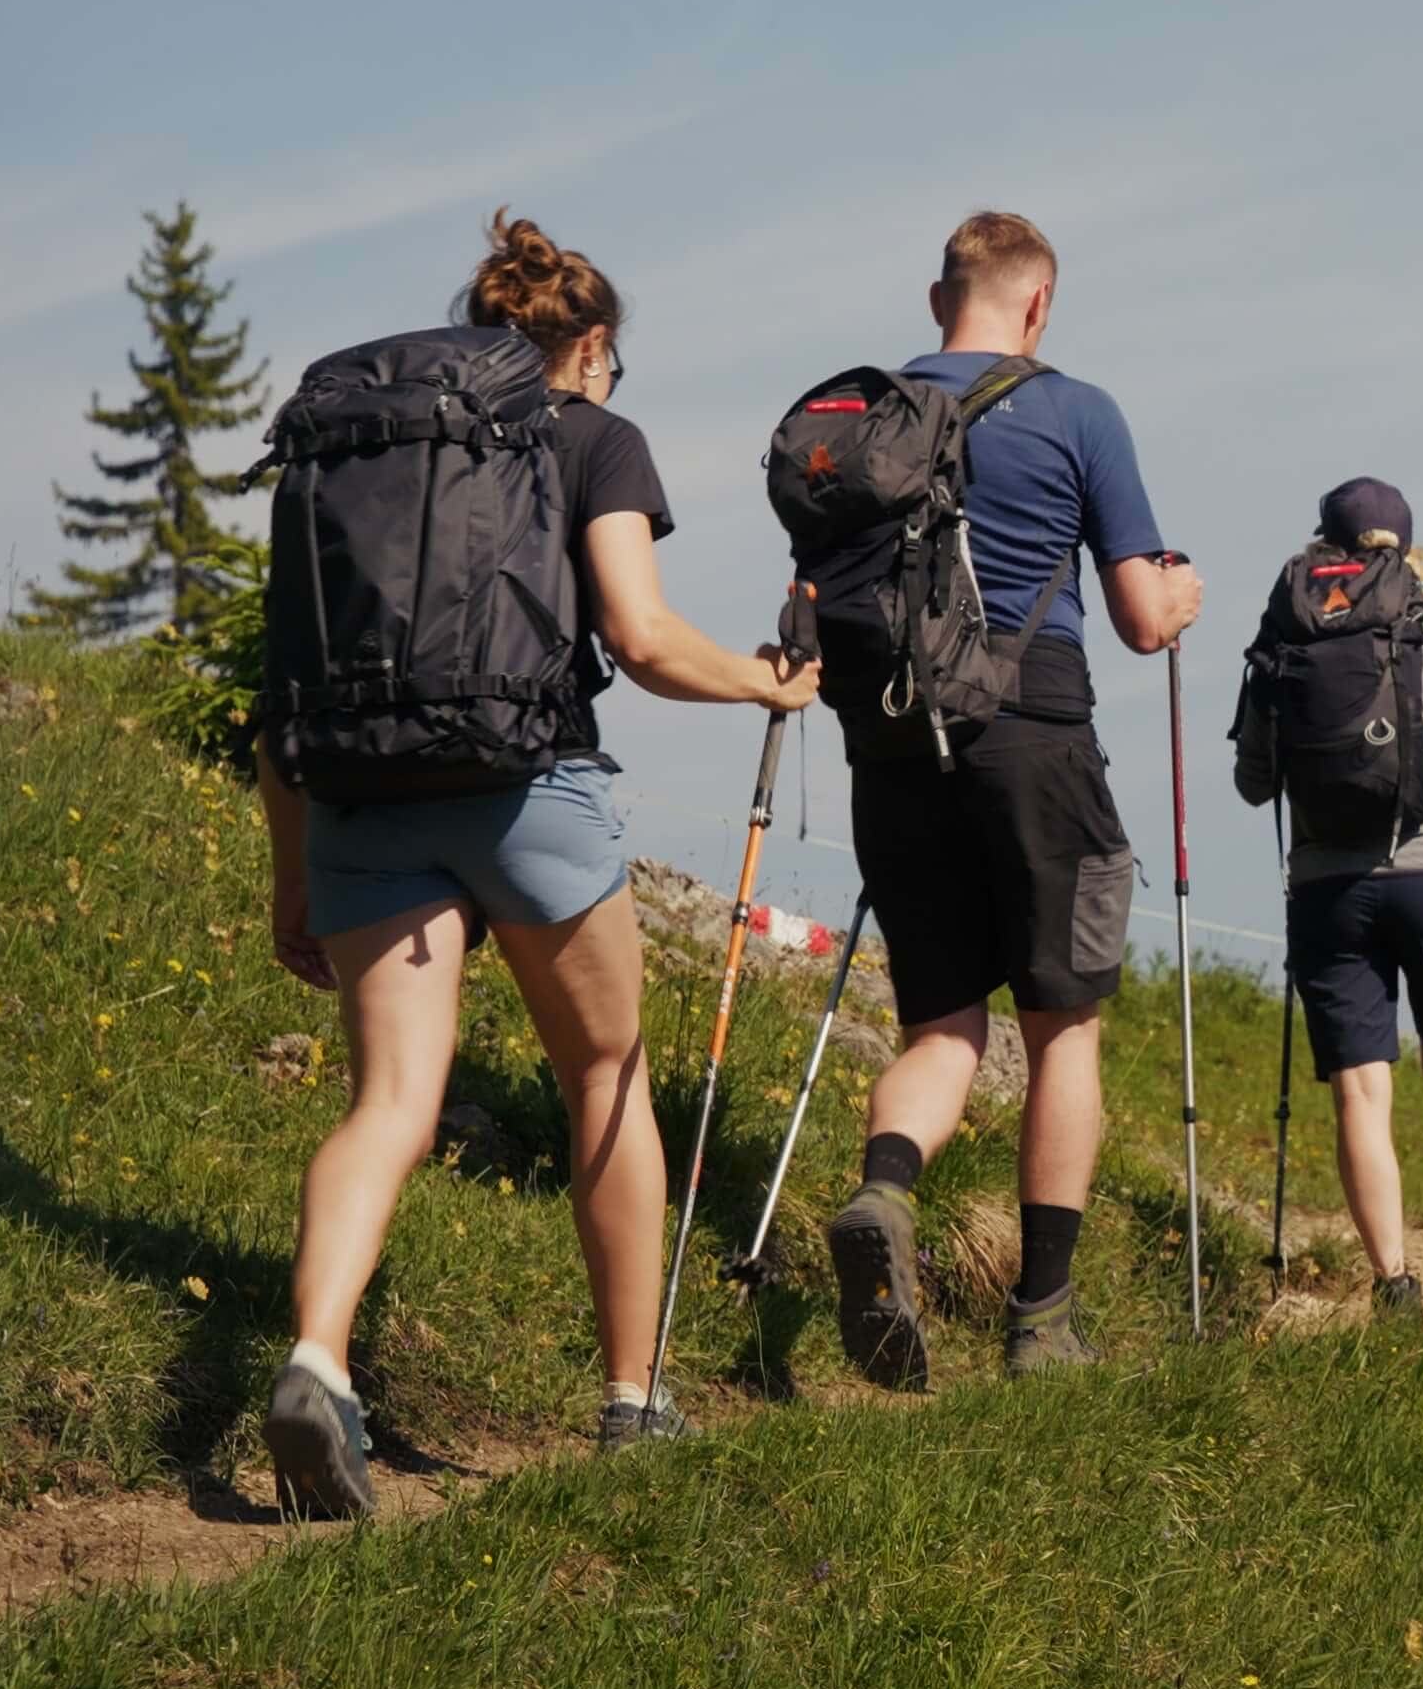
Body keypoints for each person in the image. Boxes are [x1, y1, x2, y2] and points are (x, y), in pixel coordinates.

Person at [257, 212, 821, 1518]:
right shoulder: (592, 437)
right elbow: (642, 633)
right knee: (606, 1071)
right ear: (595, 346)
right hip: (531, 788)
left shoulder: (358, 447)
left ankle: (315, 1360)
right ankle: (634, 1398)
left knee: (390, 1099)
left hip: (363, 796)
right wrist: (763, 685)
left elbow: (283, 686)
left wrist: (292, 874)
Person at [821, 211, 1201, 1387]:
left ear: (941, 301)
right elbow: (1142, 619)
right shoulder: (1078, 411)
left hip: (890, 739)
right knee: (1062, 1026)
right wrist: (1181, 598)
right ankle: (1043, 1319)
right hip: (1032, 727)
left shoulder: (866, 416)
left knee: (942, 1023)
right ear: (1037, 307)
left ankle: (886, 1188)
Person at [1235, 477, 1423, 1312]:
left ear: (1324, 541)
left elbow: (1255, 784)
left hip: (1330, 888)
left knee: (1364, 1090)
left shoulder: (1282, 625)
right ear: (1401, 545)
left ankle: (1392, 1281)